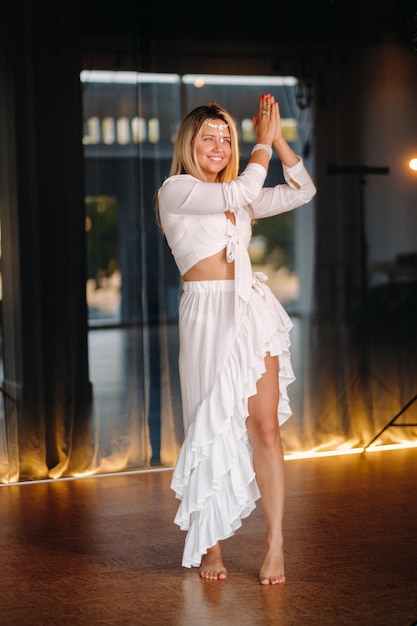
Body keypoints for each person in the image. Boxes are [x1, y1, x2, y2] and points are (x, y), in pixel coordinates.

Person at [155, 94, 316, 584]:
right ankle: (212, 548)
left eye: (228, 137)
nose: (220, 146)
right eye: (211, 137)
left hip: (250, 311)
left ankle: (276, 543)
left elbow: (302, 189)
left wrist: (278, 141)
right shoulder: (176, 190)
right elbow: (238, 189)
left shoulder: (240, 195)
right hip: (206, 315)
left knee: (264, 425)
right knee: (209, 425)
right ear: (191, 142)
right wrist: (260, 146)